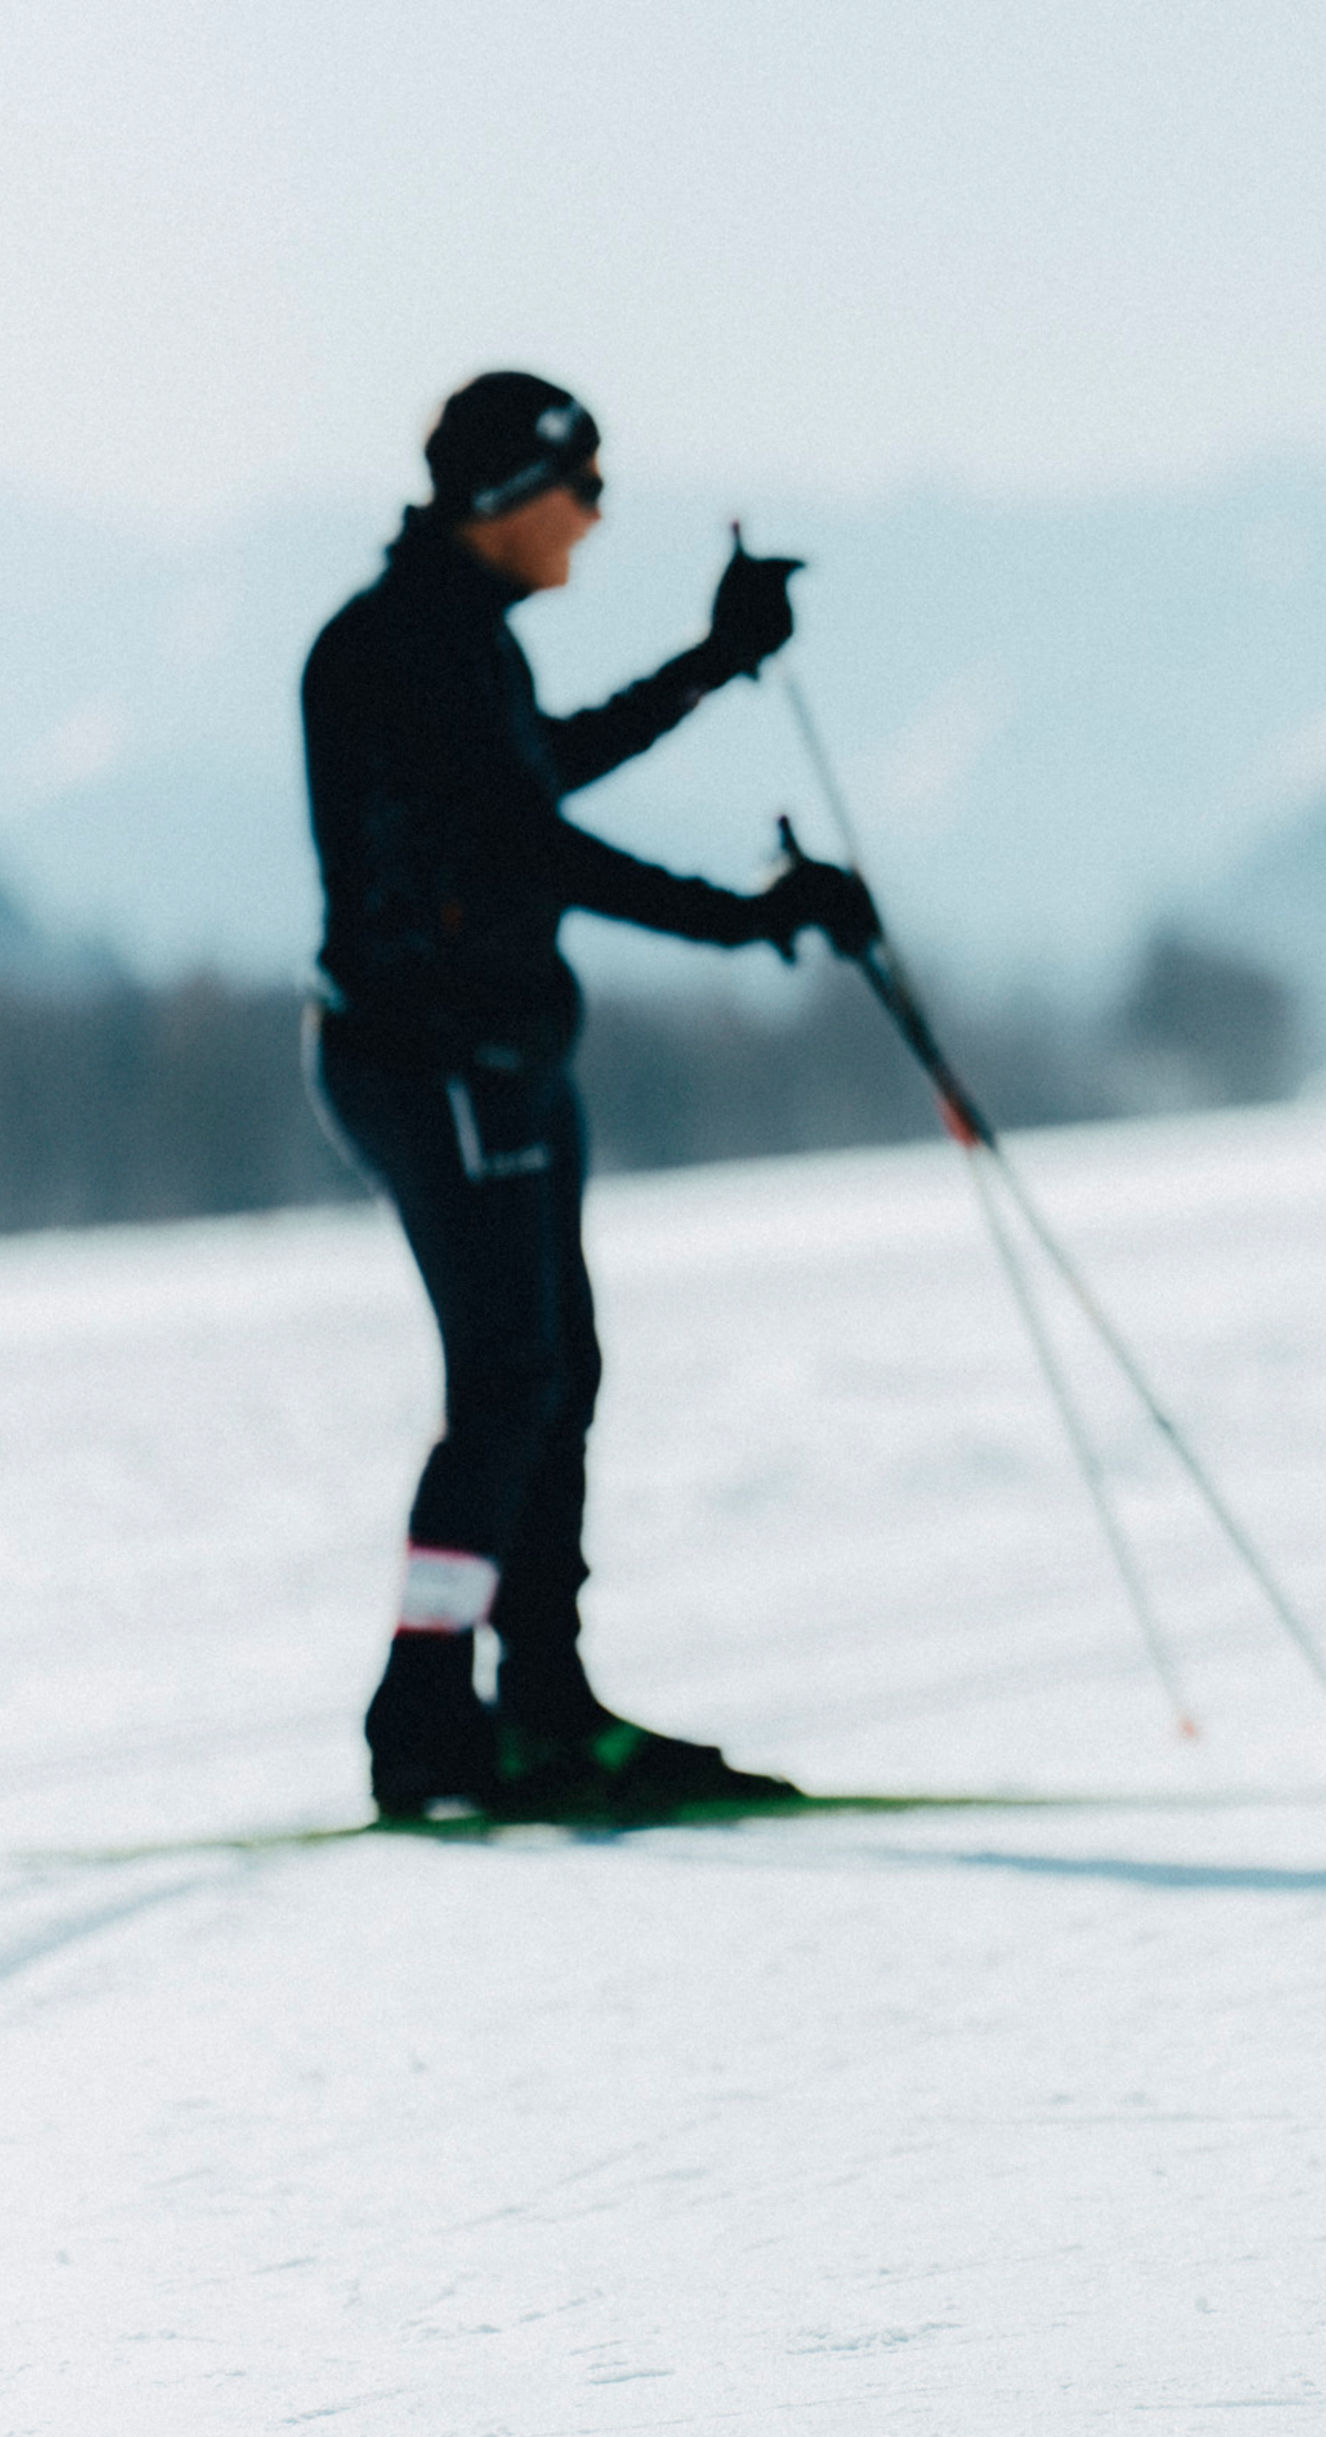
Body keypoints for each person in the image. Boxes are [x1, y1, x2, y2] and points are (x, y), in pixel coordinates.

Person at [304, 370, 883, 1822]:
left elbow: (536, 773)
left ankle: (539, 1704)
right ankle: (429, 1712)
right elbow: (531, 845)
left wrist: (714, 662)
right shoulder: (402, 645)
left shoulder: (453, 637)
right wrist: (751, 919)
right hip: (439, 1062)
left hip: (491, 1059)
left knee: (551, 1374)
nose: (598, 515)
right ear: (509, 493)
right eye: (585, 486)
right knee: (513, 1380)